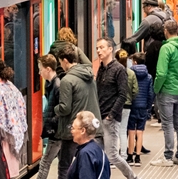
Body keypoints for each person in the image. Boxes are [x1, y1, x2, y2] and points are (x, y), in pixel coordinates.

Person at [49, 43, 103, 176]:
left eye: (61, 62)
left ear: (65, 61)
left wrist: (55, 109)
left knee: (64, 167)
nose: (60, 65)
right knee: (91, 166)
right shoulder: (88, 73)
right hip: (94, 128)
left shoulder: (67, 80)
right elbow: (88, 62)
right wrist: (75, 48)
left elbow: (65, 108)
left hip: (74, 130)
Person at [91, 38, 138, 178]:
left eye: (101, 47)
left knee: (112, 155)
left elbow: (123, 95)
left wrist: (111, 115)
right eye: (97, 48)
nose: (98, 51)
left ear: (110, 49)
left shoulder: (119, 69)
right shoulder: (101, 68)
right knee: (98, 153)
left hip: (109, 119)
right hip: (99, 118)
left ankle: (132, 176)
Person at [151, 21, 178, 167]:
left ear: (166, 31)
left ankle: (167, 157)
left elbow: (161, 73)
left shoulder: (166, 48)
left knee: (167, 124)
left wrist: (156, 88)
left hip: (166, 89)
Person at [0, 58, 28, 178]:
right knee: (12, 171)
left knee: (4, 170)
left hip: (3, 135)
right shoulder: (10, 85)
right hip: (14, 133)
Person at [37, 54, 74, 179]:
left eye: (40, 69)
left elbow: (62, 109)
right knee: (62, 163)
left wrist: (52, 123)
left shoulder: (57, 85)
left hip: (56, 131)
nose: (39, 72)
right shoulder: (50, 84)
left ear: (48, 69)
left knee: (45, 162)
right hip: (56, 129)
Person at [125, 0, 172, 68]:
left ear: (149, 6)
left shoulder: (147, 21)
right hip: (168, 51)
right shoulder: (169, 16)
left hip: (153, 54)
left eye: (144, 7)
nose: (143, 10)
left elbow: (134, 38)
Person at [127, 52, 154, 166]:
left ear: (135, 62)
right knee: (140, 131)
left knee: (131, 131)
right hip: (143, 107)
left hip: (132, 106)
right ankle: (138, 157)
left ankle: (130, 155)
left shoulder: (129, 74)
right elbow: (150, 93)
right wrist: (148, 106)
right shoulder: (148, 76)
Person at [66, 111, 111, 179]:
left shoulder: (85, 153)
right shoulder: (97, 148)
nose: (71, 131)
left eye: (73, 128)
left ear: (83, 131)